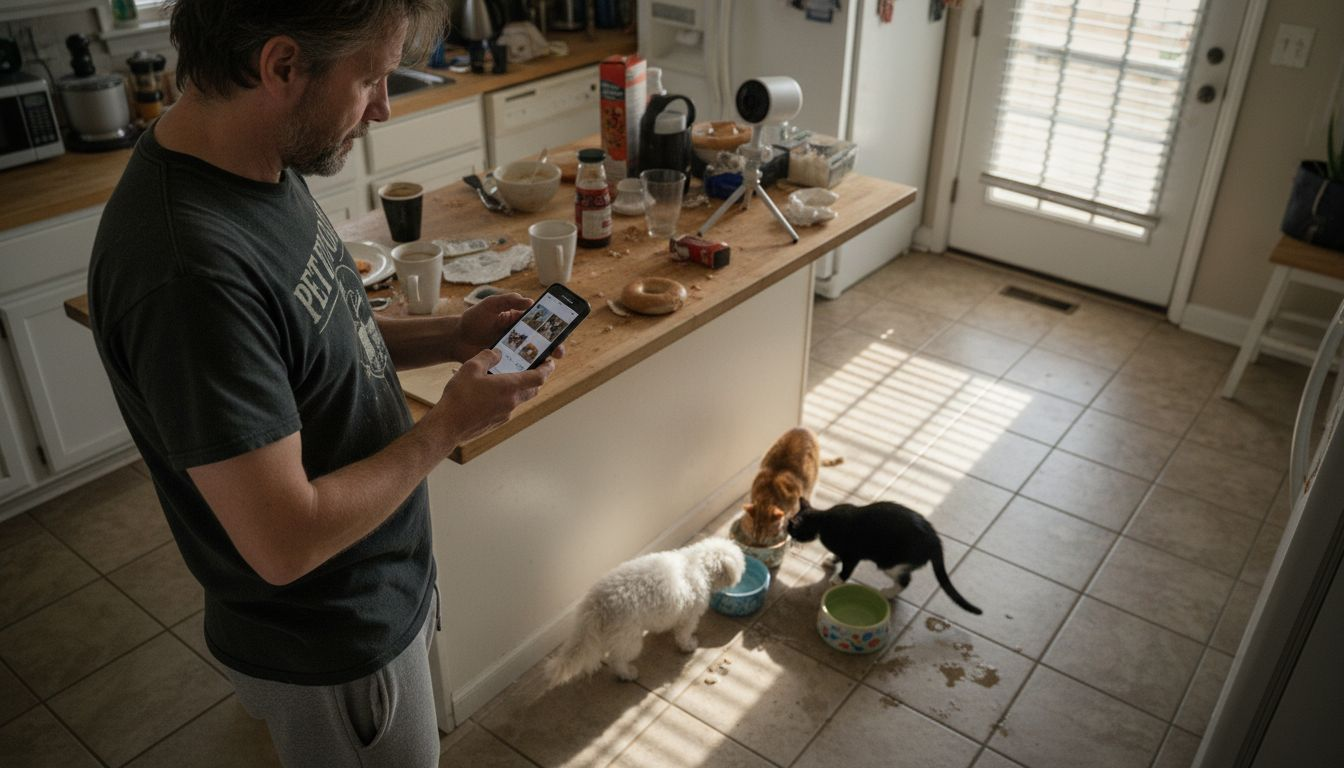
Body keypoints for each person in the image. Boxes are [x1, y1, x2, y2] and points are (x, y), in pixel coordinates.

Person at [86, 2, 555, 766]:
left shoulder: (259, 160)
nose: (383, 106)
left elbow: (320, 341)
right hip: (329, 641)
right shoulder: (186, 271)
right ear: (281, 67)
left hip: (375, 588)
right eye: (369, 79)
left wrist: (449, 335)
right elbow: (283, 541)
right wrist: (444, 428)